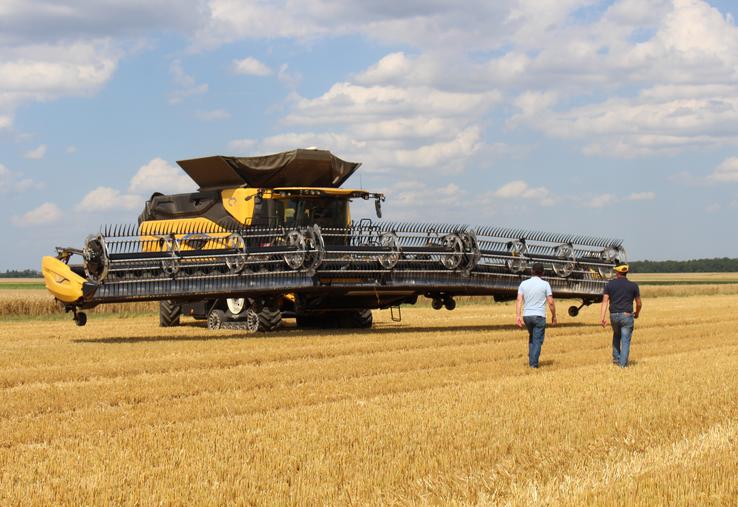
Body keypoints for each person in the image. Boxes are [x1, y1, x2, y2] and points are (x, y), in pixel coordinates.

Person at [600, 263, 642, 368]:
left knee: (616, 335)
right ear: (625, 272)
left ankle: (616, 359)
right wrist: (637, 312)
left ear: (617, 272)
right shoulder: (633, 286)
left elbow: (605, 302)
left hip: (613, 315)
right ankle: (622, 365)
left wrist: (602, 317)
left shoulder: (609, 285)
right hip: (627, 315)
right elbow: (639, 303)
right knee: (625, 340)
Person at [516, 262, 557, 368]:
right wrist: (554, 316)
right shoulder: (545, 284)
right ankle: (533, 364)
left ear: (531, 271)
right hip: (539, 316)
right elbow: (551, 302)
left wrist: (518, 316)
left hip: (527, 316)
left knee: (532, 337)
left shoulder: (523, 284)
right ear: (542, 272)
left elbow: (519, 300)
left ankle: (532, 357)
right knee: (538, 340)